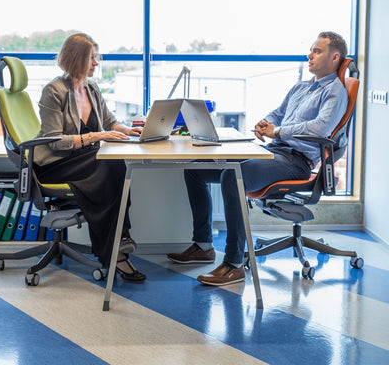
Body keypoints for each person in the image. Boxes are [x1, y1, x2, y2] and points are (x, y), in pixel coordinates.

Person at [167, 31, 348, 286]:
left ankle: (233, 265)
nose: (310, 55)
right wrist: (267, 123)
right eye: (311, 49)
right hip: (274, 152)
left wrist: (279, 131)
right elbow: (279, 112)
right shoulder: (301, 87)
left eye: (317, 51)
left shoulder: (335, 91)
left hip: (296, 162)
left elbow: (320, 128)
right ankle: (203, 245)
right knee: (195, 170)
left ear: (335, 57)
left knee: (233, 175)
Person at [33, 32, 146, 282]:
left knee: (114, 167)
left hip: (83, 161)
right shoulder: (53, 91)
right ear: (77, 59)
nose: (96, 63)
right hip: (56, 164)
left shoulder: (91, 88)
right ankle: (118, 249)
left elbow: (108, 120)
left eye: (97, 57)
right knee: (110, 166)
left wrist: (129, 130)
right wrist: (96, 136)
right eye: (92, 58)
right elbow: (53, 141)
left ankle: (116, 249)